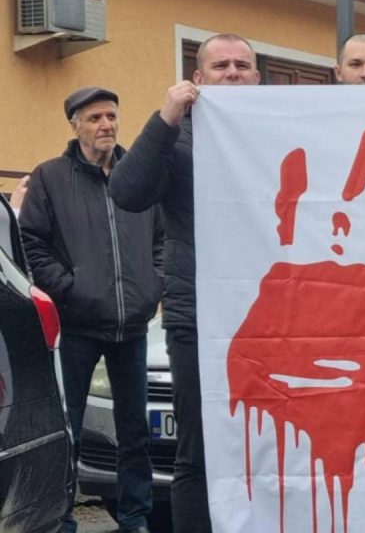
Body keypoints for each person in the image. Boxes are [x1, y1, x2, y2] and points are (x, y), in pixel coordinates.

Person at [109, 34, 261, 533]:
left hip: (275, 321)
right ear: (197, 79)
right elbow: (127, 192)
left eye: (242, 65)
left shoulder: (282, 133)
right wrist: (165, 119)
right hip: (199, 320)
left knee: (273, 446)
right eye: (221, 66)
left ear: (257, 78)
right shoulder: (177, 139)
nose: (233, 73)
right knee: (199, 454)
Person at [19, 87, 162, 533]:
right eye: (96, 117)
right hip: (77, 327)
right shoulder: (50, 177)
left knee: (135, 431)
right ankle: (61, 515)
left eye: (112, 116)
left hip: (132, 327)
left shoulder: (139, 175)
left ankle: (135, 516)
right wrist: (70, 290)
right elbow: (31, 242)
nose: (106, 125)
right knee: (69, 429)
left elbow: (161, 239)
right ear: (75, 124)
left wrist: (153, 284)